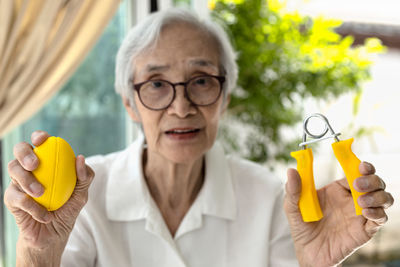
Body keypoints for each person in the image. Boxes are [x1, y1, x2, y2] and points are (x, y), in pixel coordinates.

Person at [4, 8, 394, 267]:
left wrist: (311, 263)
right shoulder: (83, 198)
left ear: (224, 97)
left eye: (202, 81)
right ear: (129, 104)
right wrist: (39, 253)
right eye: (156, 83)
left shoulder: (268, 196)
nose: (181, 106)